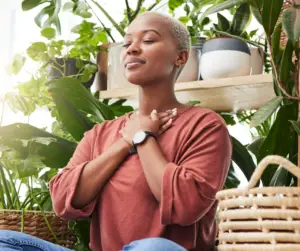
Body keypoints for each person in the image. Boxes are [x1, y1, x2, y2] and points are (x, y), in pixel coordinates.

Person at [0, 11, 232, 251]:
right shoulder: (102, 133)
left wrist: (144, 138)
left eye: (149, 40)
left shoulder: (204, 125)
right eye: (127, 43)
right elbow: (63, 199)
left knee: (154, 248)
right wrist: (125, 142)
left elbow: (185, 207)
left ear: (181, 57)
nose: (131, 49)